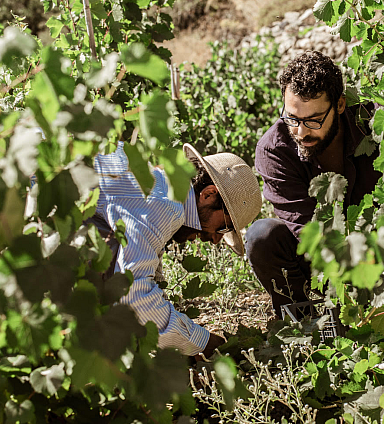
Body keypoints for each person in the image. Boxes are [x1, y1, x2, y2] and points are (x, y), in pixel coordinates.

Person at [87, 142, 262, 357]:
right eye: (223, 227)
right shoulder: (164, 204)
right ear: (208, 195)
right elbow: (134, 294)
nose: (216, 240)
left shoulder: (159, 185)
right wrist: (204, 344)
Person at [247, 51, 381, 317]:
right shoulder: (275, 150)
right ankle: (306, 325)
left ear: (340, 105)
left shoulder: (374, 125)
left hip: (382, 248)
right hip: (323, 261)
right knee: (262, 236)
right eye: (292, 118)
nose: (301, 131)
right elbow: (307, 231)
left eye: (314, 120)